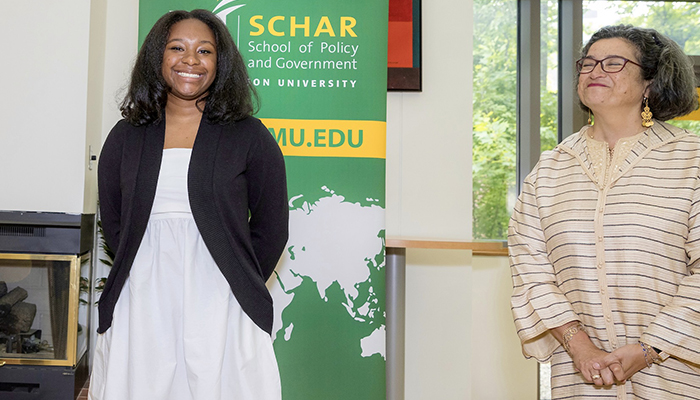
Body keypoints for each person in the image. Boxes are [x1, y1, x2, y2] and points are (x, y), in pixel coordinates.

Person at [89, 9, 288, 400]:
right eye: (177, 47)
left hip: (222, 300)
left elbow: (272, 226)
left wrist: (234, 279)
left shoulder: (248, 135)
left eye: (205, 51)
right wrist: (146, 266)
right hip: (142, 299)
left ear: (220, 62)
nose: (190, 60)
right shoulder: (126, 135)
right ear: (158, 58)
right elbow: (114, 221)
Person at [509, 24, 700, 399]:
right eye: (588, 63)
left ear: (650, 81)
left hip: (674, 374)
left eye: (613, 63)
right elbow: (530, 272)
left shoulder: (690, 160)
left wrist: (649, 348)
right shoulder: (549, 169)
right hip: (582, 377)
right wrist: (581, 348)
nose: (595, 71)